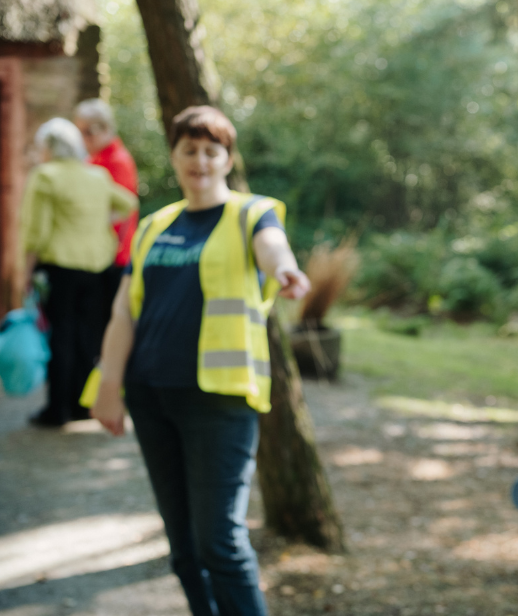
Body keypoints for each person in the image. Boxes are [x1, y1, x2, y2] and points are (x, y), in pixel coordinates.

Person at [90, 105, 309, 616]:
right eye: (189, 150)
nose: (200, 160)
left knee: (220, 543)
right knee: (184, 549)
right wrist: (109, 384)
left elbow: (272, 247)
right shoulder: (153, 226)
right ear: (174, 156)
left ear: (227, 158)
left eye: (212, 150)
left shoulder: (252, 213)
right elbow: (125, 311)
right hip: (151, 395)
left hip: (219, 401)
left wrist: (286, 270)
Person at [22, 118, 137, 427]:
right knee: (88, 337)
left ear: (48, 148)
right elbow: (128, 203)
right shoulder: (97, 175)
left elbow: (36, 232)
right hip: (97, 267)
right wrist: (103, 224)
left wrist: (25, 272)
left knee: (60, 336)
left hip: (60, 267)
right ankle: (82, 405)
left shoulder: (45, 176)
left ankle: (56, 410)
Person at [73, 99, 140, 329]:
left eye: (88, 132)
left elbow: (121, 212)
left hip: (114, 255)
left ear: (105, 129)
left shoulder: (117, 161)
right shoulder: (93, 158)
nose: (83, 138)